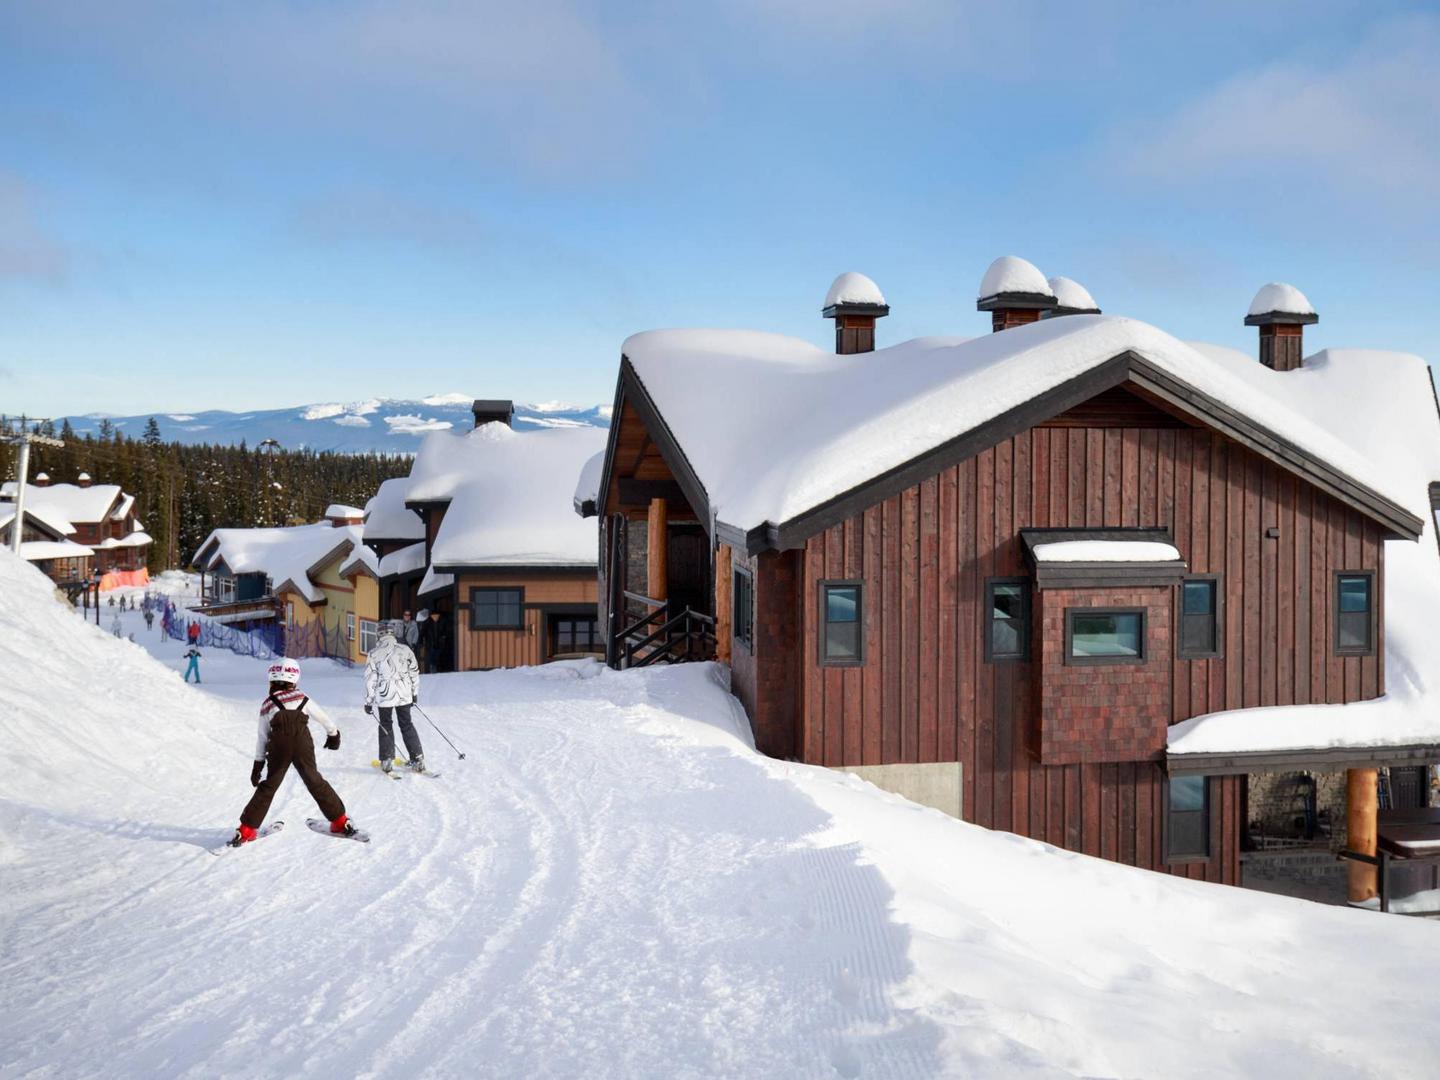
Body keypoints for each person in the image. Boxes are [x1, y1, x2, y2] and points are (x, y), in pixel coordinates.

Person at [229, 658, 356, 846]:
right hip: (302, 744)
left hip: (278, 746)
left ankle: (245, 831)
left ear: (272, 679)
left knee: (269, 786)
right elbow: (323, 718)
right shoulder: (302, 698)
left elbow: (262, 737)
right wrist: (333, 734)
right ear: (295, 678)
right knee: (314, 781)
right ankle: (340, 822)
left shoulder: (268, 704)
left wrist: (258, 764)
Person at [363, 621, 426, 774]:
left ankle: (387, 760)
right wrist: (414, 693)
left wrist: (369, 701)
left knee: (386, 724)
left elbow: (370, 679)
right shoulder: (405, 650)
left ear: (379, 635)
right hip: (404, 694)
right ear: (393, 633)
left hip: (385, 696)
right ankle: (418, 759)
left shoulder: (374, 653)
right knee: (407, 724)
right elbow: (414, 672)